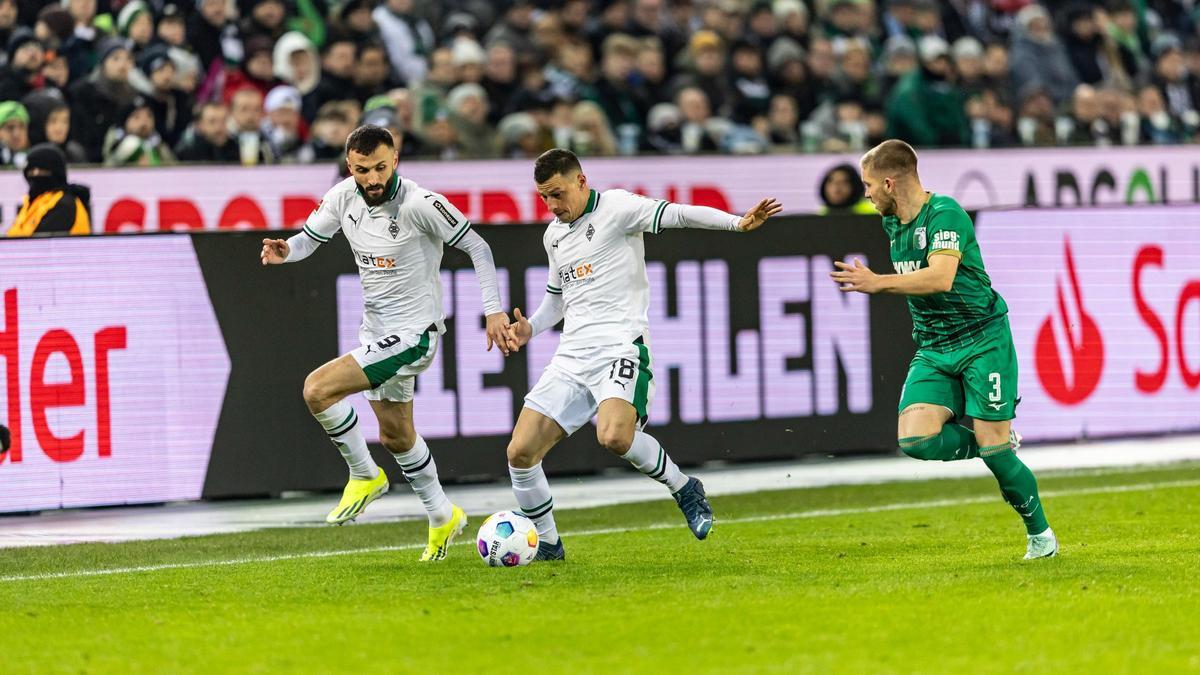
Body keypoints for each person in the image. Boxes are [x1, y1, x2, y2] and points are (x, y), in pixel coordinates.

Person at [500, 148, 781, 561]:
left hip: (620, 345)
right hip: (572, 356)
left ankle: (685, 487)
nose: (552, 206)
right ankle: (548, 544)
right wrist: (529, 327)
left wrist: (737, 224)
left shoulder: (618, 207)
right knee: (519, 453)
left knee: (614, 437)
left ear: (581, 181)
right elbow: (557, 300)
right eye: (544, 197)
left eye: (558, 194)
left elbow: (680, 214)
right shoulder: (553, 236)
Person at [259, 125, 511, 561]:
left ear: (395, 160)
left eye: (380, 167)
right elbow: (308, 240)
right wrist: (286, 251)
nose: (373, 179)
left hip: (415, 334)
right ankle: (442, 516)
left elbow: (478, 247)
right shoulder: (343, 196)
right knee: (396, 435)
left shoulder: (421, 204)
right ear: (349, 166)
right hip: (376, 332)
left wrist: (492, 310)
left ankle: (363, 473)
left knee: (317, 389)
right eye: (362, 170)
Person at [829, 139, 1056, 560]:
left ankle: (1040, 536)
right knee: (915, 440)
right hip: (934, 347)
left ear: (890, 182)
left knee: (996, 455)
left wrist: (878, 282)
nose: (866, 193)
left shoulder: (945, 213)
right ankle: (996, 444)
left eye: (868, 184)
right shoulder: (893, 222)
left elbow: (941, 277)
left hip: (983, 340)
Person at [6, 143, 90, 237]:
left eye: (41, 170)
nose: (35, 174)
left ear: (56, 171)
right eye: (31, 170)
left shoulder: (64, 205)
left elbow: (38, 245)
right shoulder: (32, 203)